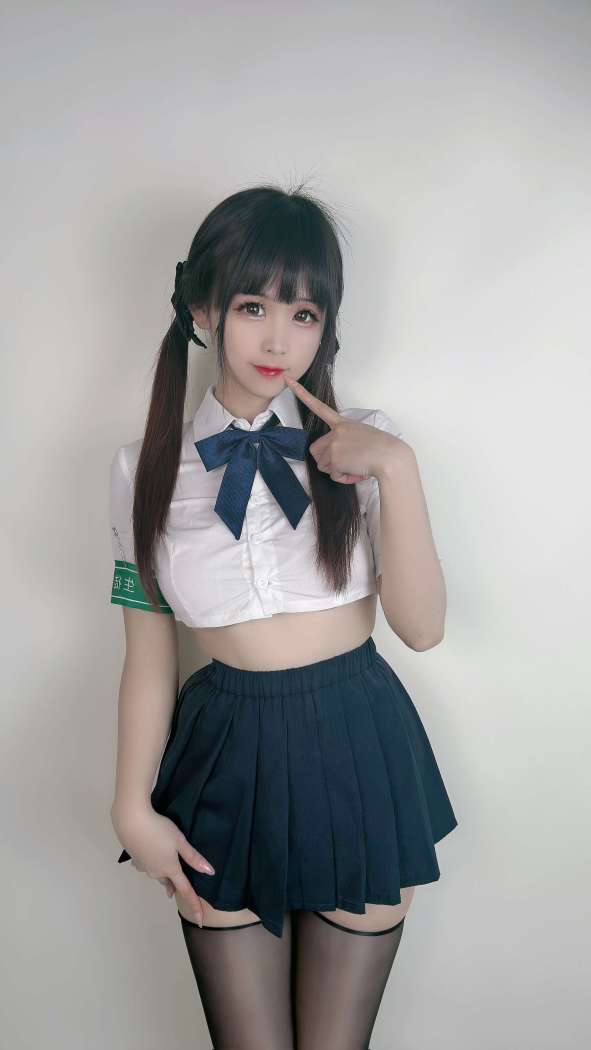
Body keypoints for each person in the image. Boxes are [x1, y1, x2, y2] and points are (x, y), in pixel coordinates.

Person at [109, 182, 458, 1050]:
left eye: (304, 314)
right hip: (223, 753)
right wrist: (130, 809)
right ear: (203, 309)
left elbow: (421, 630)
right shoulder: (141, 470)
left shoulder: (368, 443)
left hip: (358, 739)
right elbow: (149, 655)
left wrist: (397, 469)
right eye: (253, 306)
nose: (277, 340)